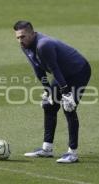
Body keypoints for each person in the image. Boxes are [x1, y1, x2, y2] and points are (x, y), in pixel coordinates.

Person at [13, 20, 91, 163]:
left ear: (32, 33)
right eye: (17, 37)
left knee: (69, 108)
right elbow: (38, 70)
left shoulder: (44, 45)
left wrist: (66, 94)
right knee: (49, 105)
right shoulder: (25, 46)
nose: (20, 40)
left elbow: (54, 69)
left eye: (23, 36)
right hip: (62, 73)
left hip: (78, 71)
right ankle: (47, 149)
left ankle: (72, 153)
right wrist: (48, 90)